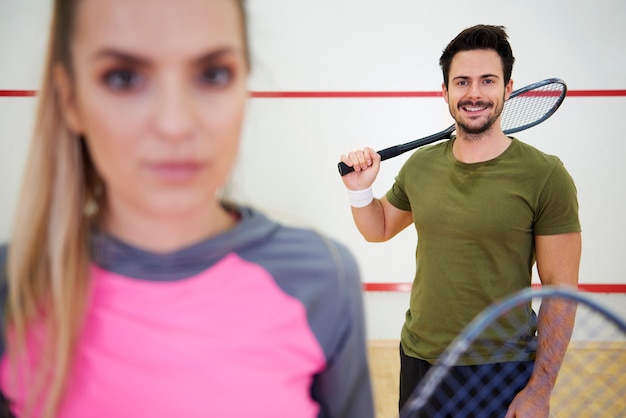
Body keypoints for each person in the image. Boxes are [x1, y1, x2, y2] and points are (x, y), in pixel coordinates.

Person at [0, 0, 374, 417]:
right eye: (123, 78)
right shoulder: (12, 286)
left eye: (213, 75)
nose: (175, 124)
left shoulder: (323, 278)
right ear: (70, 100)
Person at [340, 24, 581, 417]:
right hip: (420, 358)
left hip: (501, 368)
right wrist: (359, 189)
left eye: (487, 81)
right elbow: (378, 227)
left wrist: (540, 389)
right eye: (462, 82)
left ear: (507, 88)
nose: (474, 93)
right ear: (445, 92)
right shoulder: (421, 166)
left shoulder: (545, 175)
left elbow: (560, 290)